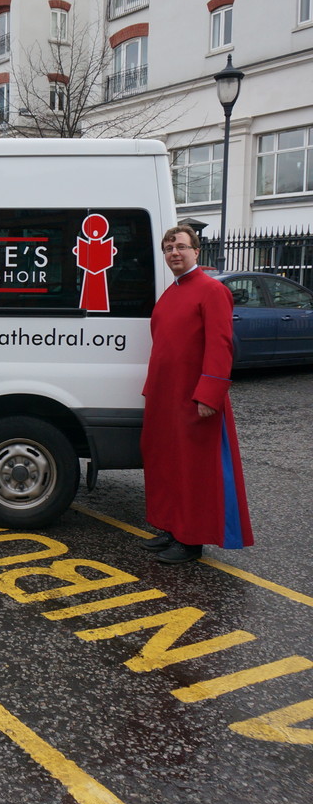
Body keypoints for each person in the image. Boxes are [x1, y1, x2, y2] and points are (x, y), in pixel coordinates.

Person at [140, 225, 254, 563]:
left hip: (194, 398)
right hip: (165, 397)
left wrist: (209, 394)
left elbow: (220, 347)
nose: (174, 252)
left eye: (181, 247)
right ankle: (171, 528)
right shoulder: (171, 292)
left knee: (193, 471)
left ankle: (190, 542)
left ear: (196, 251)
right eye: (168, 247)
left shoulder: (211, 290)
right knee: (168, 466)